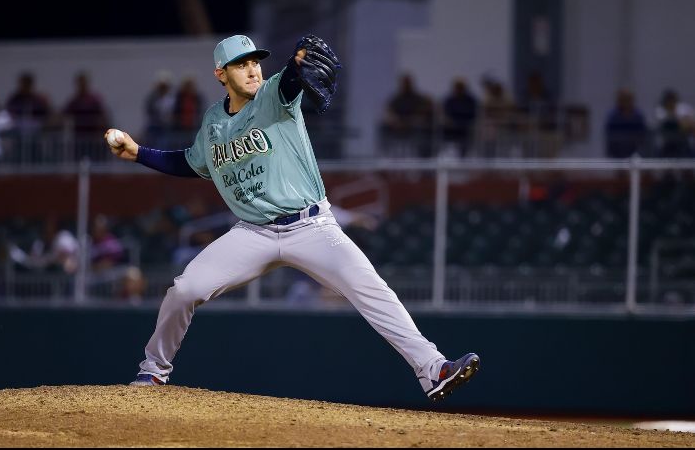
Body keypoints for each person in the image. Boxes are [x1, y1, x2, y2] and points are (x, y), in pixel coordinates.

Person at [105, 34, 480, 402]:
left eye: (255, 62)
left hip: (311, 227)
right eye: (241, 64)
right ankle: (153, 371)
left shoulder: (272, 95)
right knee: (184, 290)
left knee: (371, 288)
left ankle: (433, 368)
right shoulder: (214, 120)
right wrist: (138, 153)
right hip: (253, 233)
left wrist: (296, 65)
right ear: (221, 73)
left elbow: (287, 81)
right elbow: (191, 162)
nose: (252, 70)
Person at [604, 88, 647, 158]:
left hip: (635, 155)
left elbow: (643, 138)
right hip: (616, 155)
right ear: (619, 100)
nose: (626, 102)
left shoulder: (638, 116)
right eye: (624, 99)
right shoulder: (613, 117)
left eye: (628, 99)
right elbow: (610, 138)